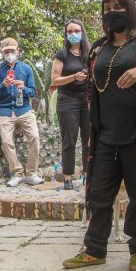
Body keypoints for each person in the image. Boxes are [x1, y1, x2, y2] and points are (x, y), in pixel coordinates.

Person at [63, 0, 136, 271]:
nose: (112, 12)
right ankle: (95, 249)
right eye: (107, 7)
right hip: (105, 134)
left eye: (118, 6)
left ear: (130, 9)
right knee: (99, 194)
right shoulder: (97, 47)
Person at [0, 37, 43, 187]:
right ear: (2, 53)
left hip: (24, 109)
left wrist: (23, 88)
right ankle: (17, 173)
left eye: (12, 51)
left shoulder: (26, 69)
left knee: (34, 137)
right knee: (6, 141)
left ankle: (32, 173)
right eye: (6, 52)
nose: (10, 54)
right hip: (5, 111)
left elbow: (33, 92)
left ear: (18, 51)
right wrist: (3, 85)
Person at [51, 19, 90, 191]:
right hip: (67, 100)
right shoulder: (62, 55)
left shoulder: (89, 53)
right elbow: (55, 80)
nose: (73, 34)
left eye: (76, 31)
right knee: (69, 140)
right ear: (66, 35)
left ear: (82, 32)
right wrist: (74, 77)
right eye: (70, 32)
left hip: (87, 100)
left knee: (89, 140)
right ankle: (68, 177)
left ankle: (88, 175)